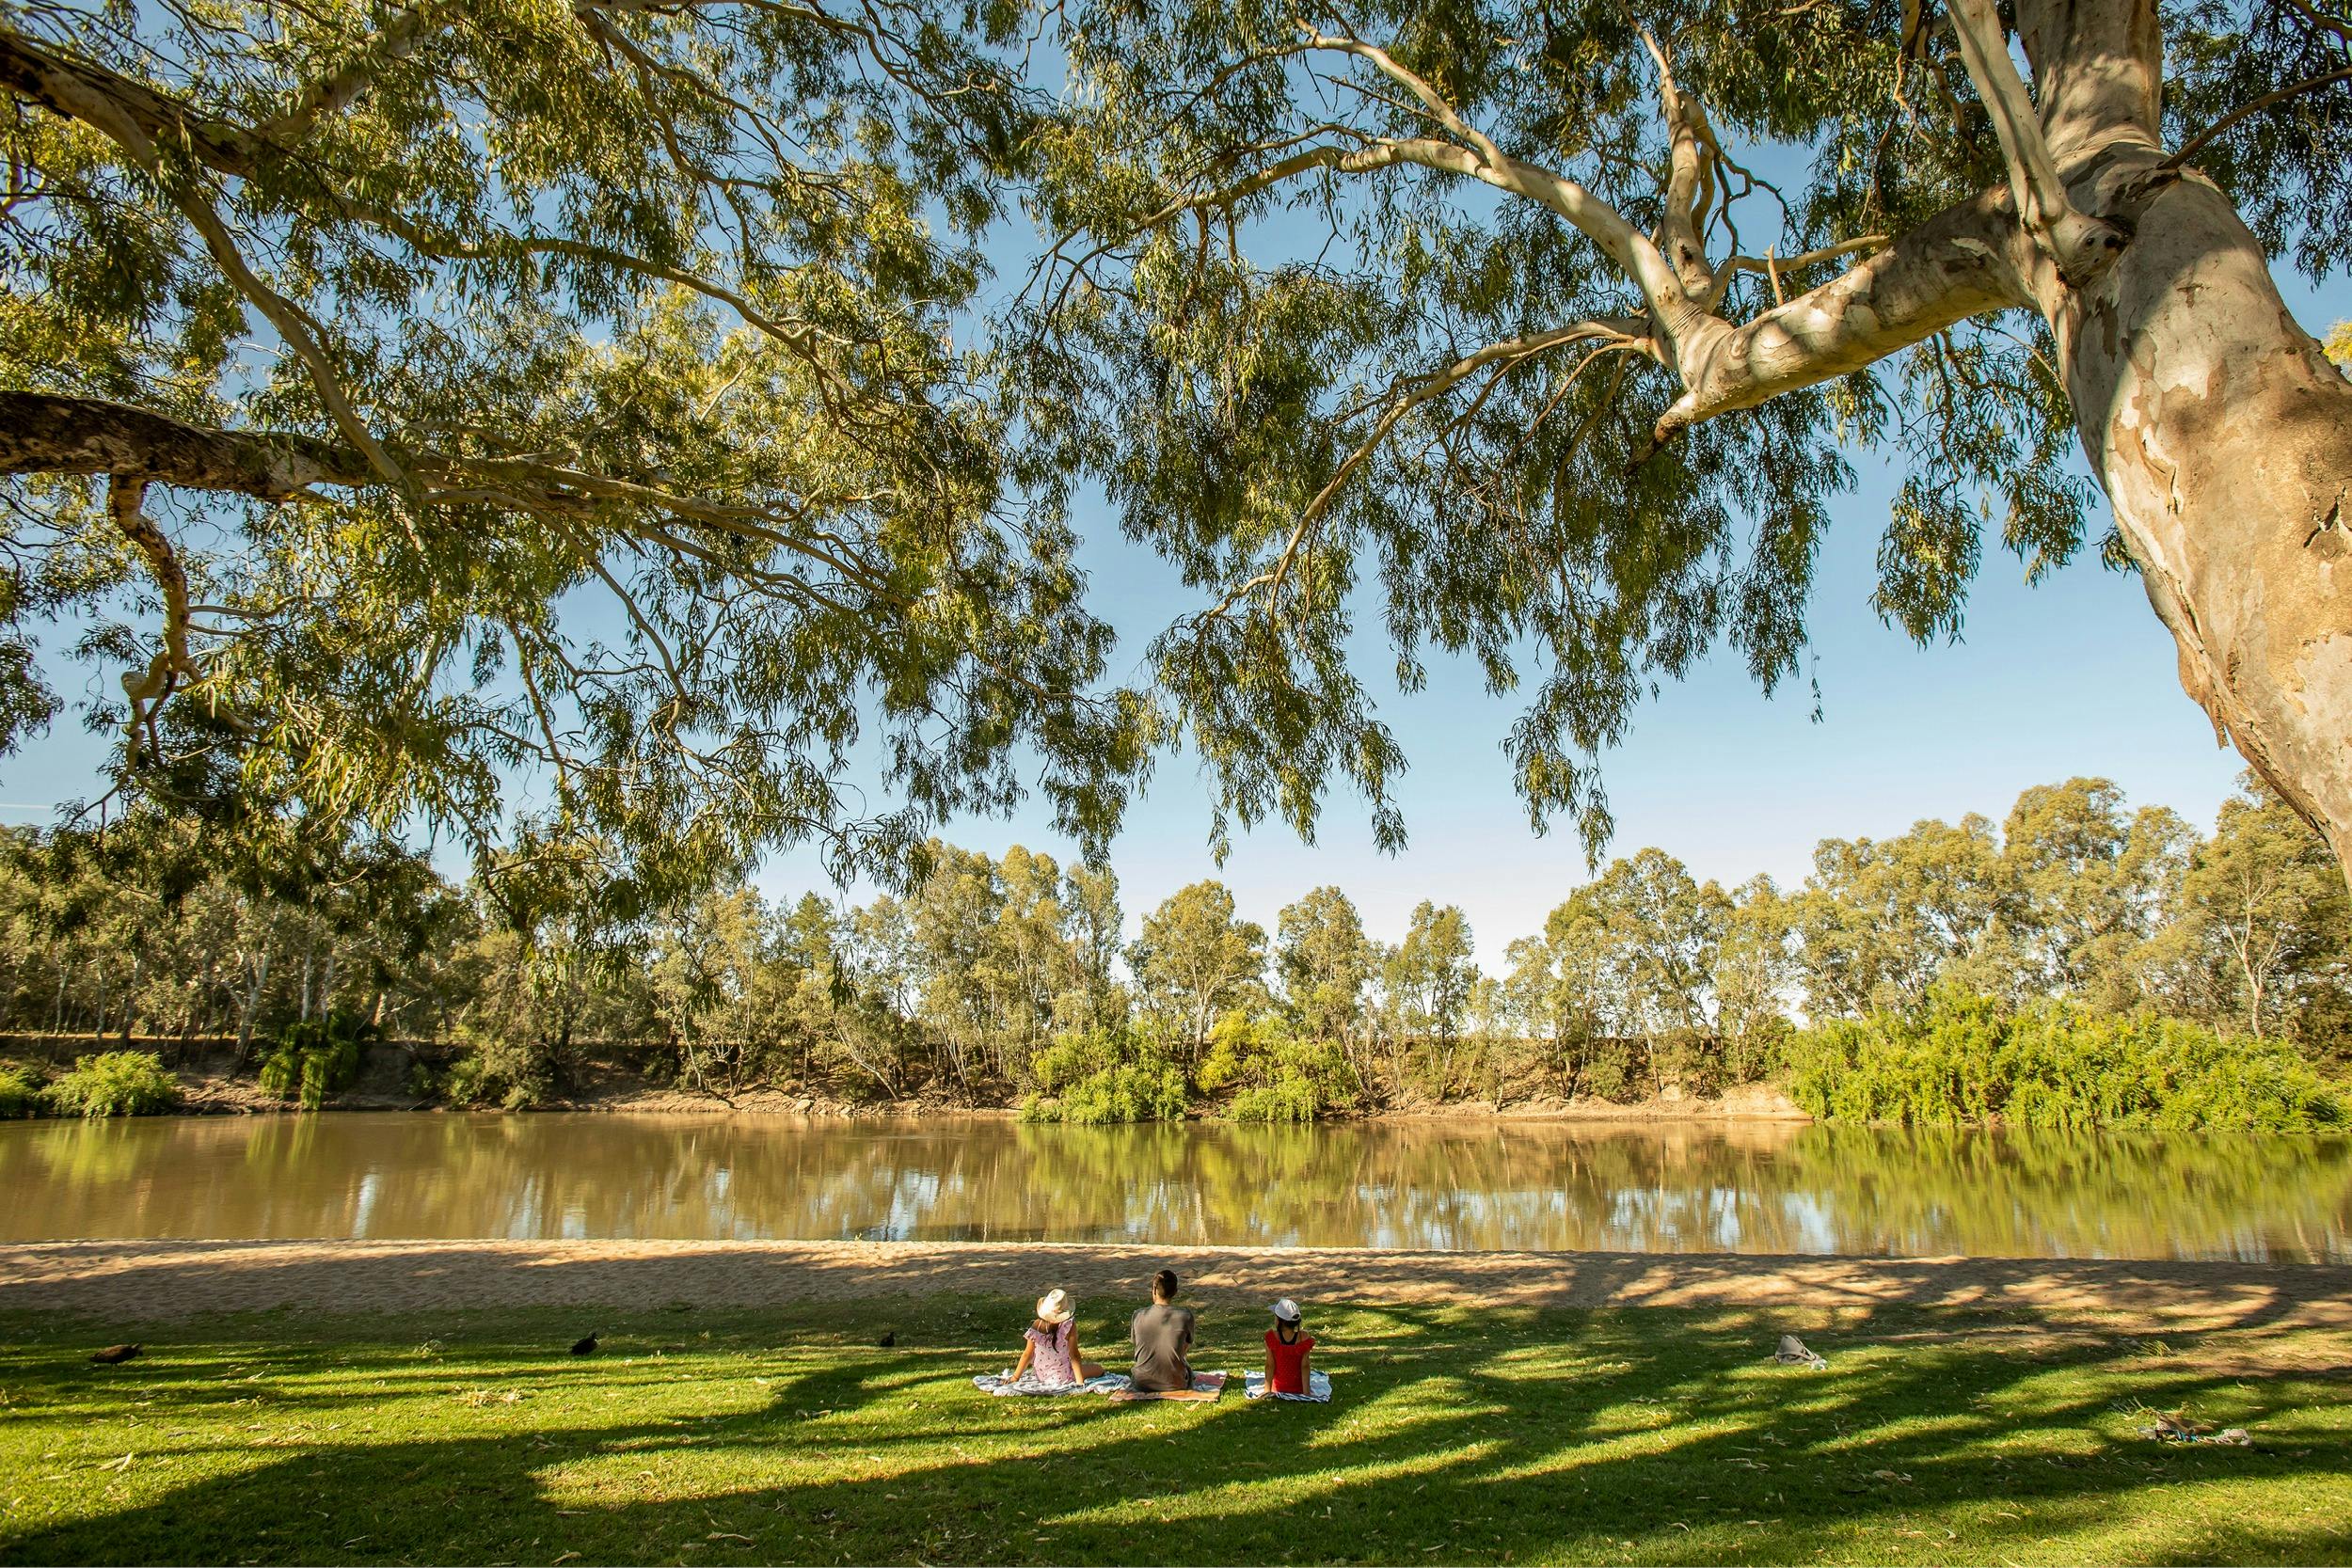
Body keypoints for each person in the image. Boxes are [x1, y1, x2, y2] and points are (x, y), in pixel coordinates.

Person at [1003, 1289, 1101, 1386]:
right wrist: (1079, 1382)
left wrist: (1015, 1377)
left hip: (1041, 1375)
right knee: (1098, 1369)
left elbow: (1027, 1355)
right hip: (1063, 1376)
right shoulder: (1069, 1326)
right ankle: (1077, 1376)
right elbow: (1074, 1355)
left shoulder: (1037, 1324)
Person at [1129, 1268, 1196, 1393]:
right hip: (1175, 1384)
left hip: (1141, 1383)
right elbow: (1185, 1347)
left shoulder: (1138, 1315)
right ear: (1175, 1291)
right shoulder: (1185, 1316)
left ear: (1154, 1289)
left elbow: (1137, 1345)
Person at [1263, 1298, 1315, 1395]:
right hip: (1298, 1389)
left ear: (1279, 1321)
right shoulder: (1304, 1338)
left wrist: (1267, 1391)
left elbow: (1270, 1365)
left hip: (1277, 1389)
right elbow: (1305, 1366)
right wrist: (1306, 1393)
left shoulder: (1272, 1338)